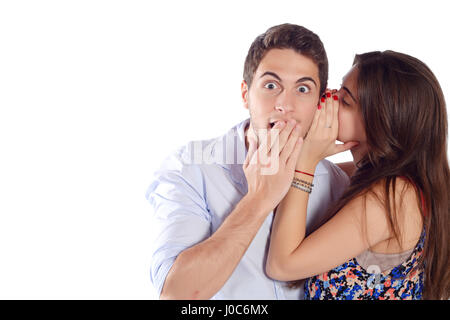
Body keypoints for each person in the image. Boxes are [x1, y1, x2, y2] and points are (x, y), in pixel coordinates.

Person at [145, 24, 355, 299]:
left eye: (303, 89)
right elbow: (177, 294)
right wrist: (259, 199)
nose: (285, 104)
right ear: (246, 94)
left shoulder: (335, 184)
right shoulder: (190, 169)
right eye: (271, 85)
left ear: (320, 101)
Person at [263, 50, 450, 300]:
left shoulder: (391, 197)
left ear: (381, 123)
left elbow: (282, 266)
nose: (328, 100)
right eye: (337, 91)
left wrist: (306, 161)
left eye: (345, 100)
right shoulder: (383, 175)